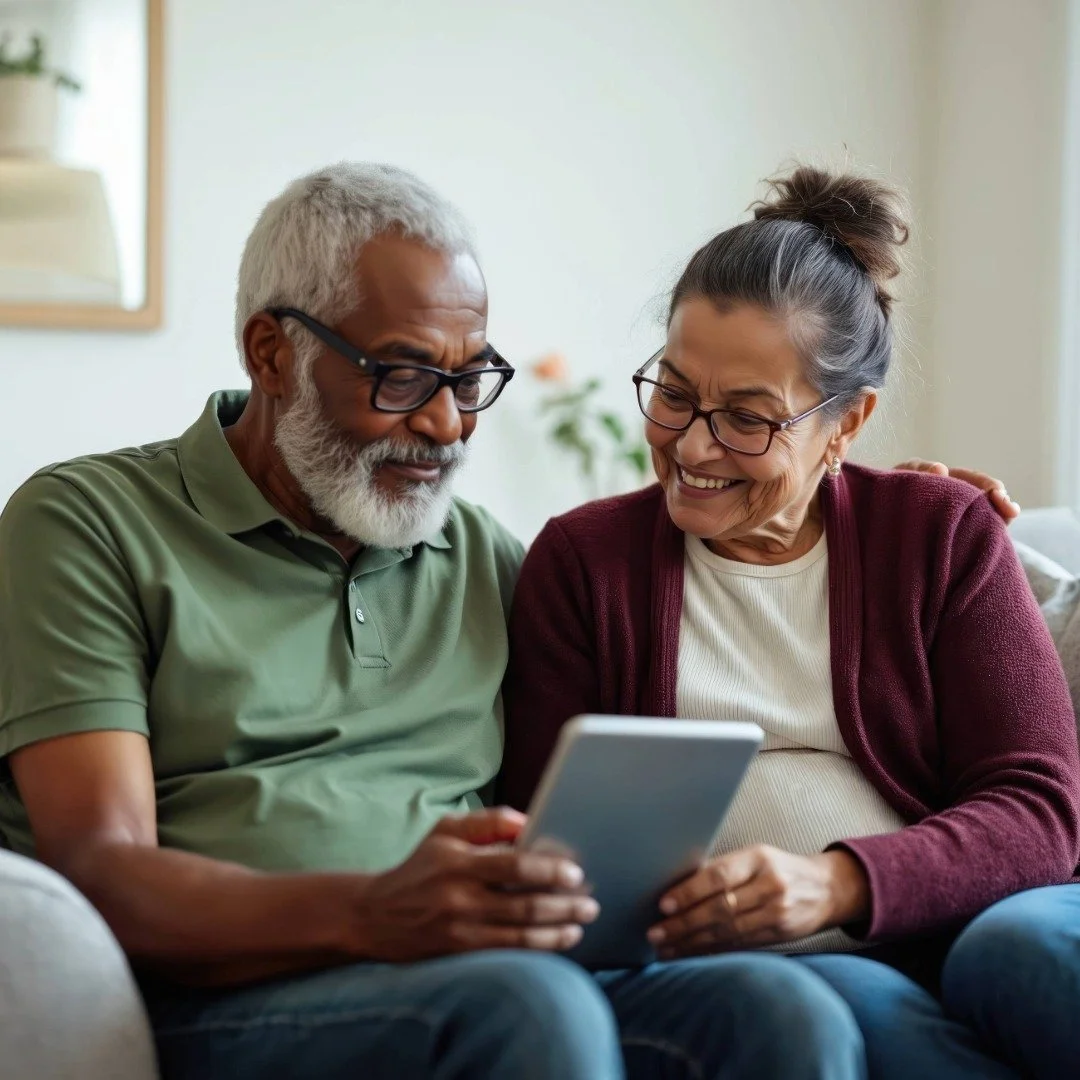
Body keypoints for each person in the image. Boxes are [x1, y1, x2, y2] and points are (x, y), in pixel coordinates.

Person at [0, 163, 868, 1080]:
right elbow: (100, 869)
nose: (451, 427)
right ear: (271, 353)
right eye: (407, 375)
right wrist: (370, 911)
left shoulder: (483, 559)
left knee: (777, 1009)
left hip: (489, 975)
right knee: (527, 1006)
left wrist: (859, 505)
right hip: (228, 1000)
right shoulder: (87, 523)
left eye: (471, 379)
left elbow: (695, 580)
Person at [501, 165, 1080, 1079]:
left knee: (1023, 955)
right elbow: (547, 839)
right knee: (845, 1007)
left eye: (748, 420)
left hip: (964, 918)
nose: (693, 446)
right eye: (676, 394)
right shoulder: (584, 564)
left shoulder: (939, 533)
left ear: (846, 426)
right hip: (774, 972)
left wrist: (836, 883)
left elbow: (1041, 810)